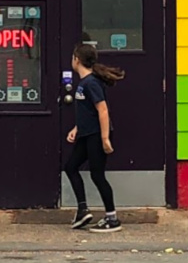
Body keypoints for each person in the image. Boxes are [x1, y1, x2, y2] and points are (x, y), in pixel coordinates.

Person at [64, 43, 125, 233]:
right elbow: (87, 111)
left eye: (73, 57)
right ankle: (83, 210)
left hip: (96, 135)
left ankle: (112, 218)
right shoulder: (83, 83)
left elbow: (102, 109)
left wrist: (105, 138)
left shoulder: (91, 83)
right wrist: (76, 128)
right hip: (85, 133)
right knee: (71, 167)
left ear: (77, 60)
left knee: (97, 175)